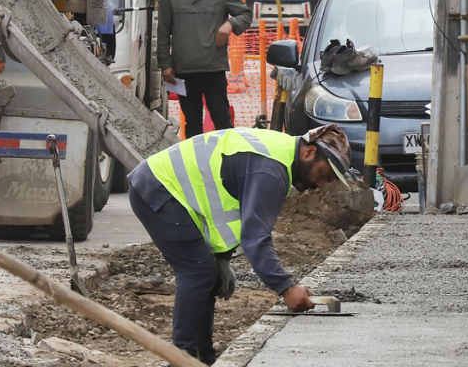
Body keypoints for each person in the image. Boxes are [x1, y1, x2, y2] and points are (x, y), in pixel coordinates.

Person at [127, 124, 352, 365]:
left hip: (165, 187)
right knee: (197, 272)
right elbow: (255, 236)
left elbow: (228, 212)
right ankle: (182, 359)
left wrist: (222, 259)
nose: (320, 184)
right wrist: (286, 288)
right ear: (308, 152)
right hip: (158, 187)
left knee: (207, 273)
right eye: (324, 174)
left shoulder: (277, 155)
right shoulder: (271, 170)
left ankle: (202, 359)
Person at [157, 0, 252, 138]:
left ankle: (228, 164)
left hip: (213, 70)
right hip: (184, 71)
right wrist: (165, 64)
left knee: (222, 120)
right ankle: (195, 167)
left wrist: (230, 24)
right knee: (192, 124)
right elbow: (163, 29)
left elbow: (245, 15)